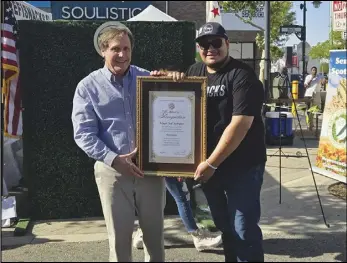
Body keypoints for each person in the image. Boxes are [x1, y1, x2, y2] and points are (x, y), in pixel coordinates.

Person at [152, 22, 267, 262]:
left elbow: (240, 124)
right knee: (223, 226)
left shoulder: (242, 75)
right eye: (204, 44)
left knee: (243, 228)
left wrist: (211, 163)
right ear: (198, 48)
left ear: (227, 44)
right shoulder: (194, 72)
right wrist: (167, 80)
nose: (210, 48)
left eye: (216, 42)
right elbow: (179, 115)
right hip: (209, 168)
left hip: (242, 165)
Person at [71, 23, 166, 262]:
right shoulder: (87, 87)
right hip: (112, 172)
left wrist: (175, 80)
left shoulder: (147, 78)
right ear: (103, 50)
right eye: (115, 49)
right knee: (120, 241)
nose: (122, 54)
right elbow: (83, 133)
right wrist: (115, 160)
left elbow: (174, 112)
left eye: (126, 48)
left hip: (150, 171)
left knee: (155, 239)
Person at [132, 177, 222, 252]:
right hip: (169, 161)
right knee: (182, 197)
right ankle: (197, 236)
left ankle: (142, 234)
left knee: (151, 195)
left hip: (153, 160)